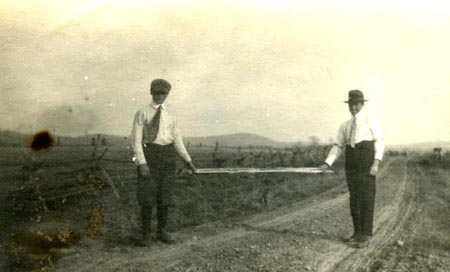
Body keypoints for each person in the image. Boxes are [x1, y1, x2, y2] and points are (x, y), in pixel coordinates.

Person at [130, 78, 197, 246]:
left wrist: (188, 160)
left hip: (168, 157)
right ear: (151, 92)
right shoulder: (142, 113)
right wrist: (142, 163)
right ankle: (145, 235)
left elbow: (177, 141)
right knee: (147, 195)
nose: (160, 96)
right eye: (157, 92)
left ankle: (162, 232)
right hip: (150, 155)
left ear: (167, 94)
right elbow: (136, 141)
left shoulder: (171, 115)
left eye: (164, 93)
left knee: (165, 196)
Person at [320, 90, 384, 248]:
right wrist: (327, 163)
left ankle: (366, 235)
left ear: (362, 104)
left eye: (356, 104)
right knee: (354, 198)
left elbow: (379, 141)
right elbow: (338, 146)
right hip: (352, 164)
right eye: (351, 104)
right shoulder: (345, 125)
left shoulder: (370, 120)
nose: (353, 107)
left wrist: (376, 162)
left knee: (367, 197)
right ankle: (357, 232)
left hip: (366, 162)